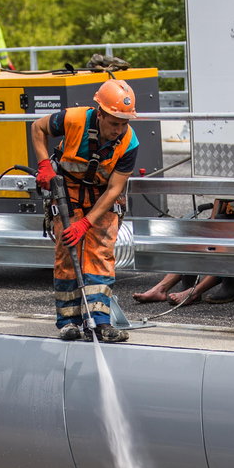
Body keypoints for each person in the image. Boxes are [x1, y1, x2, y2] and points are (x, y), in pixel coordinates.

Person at [31, 79, 139, 342]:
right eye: (114, 122)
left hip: (101, 198)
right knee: (68, 255)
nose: (119, 129)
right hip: (68, 193)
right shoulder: (73, 119)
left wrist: (86, 223)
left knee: (100, 256)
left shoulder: (129, 142)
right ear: (99, 113)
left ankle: (100, 322)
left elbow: (114, 189)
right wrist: (44, 164)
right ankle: (68, 322)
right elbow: (37, 127)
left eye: (124, 123)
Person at [132, 198, 234, 305]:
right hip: (225, 219)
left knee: (222, 245)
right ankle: (161, 288)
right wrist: (211, 225)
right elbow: (220, 198)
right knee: (193, 234)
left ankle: (194, 292)